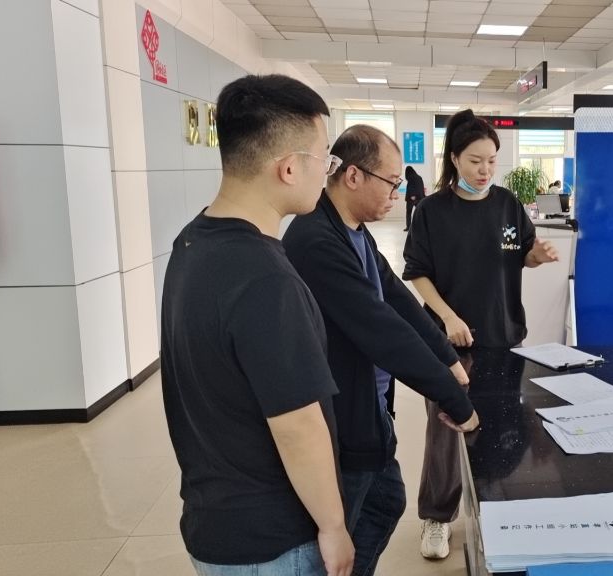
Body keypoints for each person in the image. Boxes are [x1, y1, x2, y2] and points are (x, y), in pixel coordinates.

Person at [160, 74, 353, 576]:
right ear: (289, 168)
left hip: (213, 519)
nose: (328, 171)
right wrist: (333, 525)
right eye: (325, 158)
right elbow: (297, 426)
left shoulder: (192, 241)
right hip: (271, 543)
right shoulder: (266, 278)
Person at [283, 125, 480, 576]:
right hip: (340, 419)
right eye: (391, 183)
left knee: (386, 500)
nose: (398, 194)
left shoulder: (352, 229)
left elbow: (395, 297)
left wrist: (447, 357)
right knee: (351, 525)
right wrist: (455, 401)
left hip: (369, 408)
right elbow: (381, 331)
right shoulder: (316, 240)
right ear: (353, 176)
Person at [402, 109, 559, 559]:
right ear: (454, 159)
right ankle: (437, 516)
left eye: (491, 160)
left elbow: (521, 254)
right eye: (475, 161)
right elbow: (418, 273)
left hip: (504, 335)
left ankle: (491, 503)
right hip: (448, 344)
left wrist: (538, 255)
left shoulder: (507, 204)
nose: (485, 169)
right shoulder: (432, 211)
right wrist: (449, 317)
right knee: (445, 432)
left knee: (501, 425)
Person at [404, 165, 425, 231]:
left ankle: (408, 227)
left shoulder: (411, 178)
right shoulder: (419, 177)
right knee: (420, 213)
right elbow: (421, 188)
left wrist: (412, 195)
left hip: (412, 198)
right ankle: (421, 226)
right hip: (420, 198)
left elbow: (410, 188)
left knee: (408, 213)